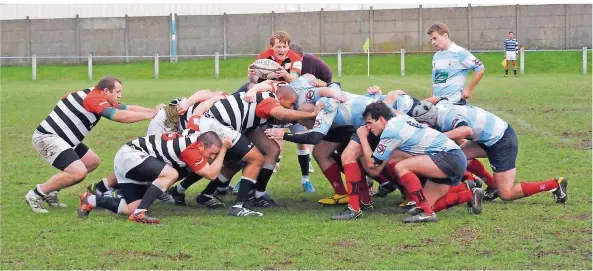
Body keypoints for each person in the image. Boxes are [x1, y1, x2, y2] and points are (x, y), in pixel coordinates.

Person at [26, 76, 161, 213]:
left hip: (64, 139)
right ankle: (36, 194)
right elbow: (119, 116)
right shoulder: (93, 99)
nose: (120, 95)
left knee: (91, 162)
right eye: (118, 92)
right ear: (106, 91)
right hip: (48, 137)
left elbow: (126, 108)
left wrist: (152, 111)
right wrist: (150, 115)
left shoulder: (98, 95)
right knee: (78, 172)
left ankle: (51, 190)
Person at [188, 82, 321, 211]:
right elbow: (281, 114)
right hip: (218, 125)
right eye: (290, 104)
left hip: (229, 125)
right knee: (256, 159)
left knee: (271, 150)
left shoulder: (271, 92)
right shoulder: (269, 100)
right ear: (280, 98)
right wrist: (311, 114)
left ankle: (210, 194)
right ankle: (240, 206)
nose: (291, 108)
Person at [412, 101, 569, 204]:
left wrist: (439, 138)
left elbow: (465, 130)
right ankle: (489, 185)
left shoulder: (448, 117)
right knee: (458, 157)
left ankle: (555, 184)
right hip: (489, 136)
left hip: (501, 142)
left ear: (429, 120)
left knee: (506, 194)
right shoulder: (440, 108)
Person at [264, 90, 379, 216]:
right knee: (322, 152)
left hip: (369, 123)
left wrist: (284, 135)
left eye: (308, 125)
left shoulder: (324, 109)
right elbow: (331, 86)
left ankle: (358, 206)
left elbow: (314, 137)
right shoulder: (315, 101)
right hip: (359, 123)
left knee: (354, 160)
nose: (309, 129)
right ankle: (356, 198)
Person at [77, 130, 230, 224]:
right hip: (131, 155)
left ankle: (90, 200)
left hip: (129, 159)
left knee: (129, 209)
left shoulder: (197, 138)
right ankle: (141, 213)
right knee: (172, 173)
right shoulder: (191, 150)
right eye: (211, 154)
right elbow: (211, 174)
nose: (212, 157)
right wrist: (223, 149)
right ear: (202, 146)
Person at [357, 102, 476, 223]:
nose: (368, 127)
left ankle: (426, 212)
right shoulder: (400, 118)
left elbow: (373, 165)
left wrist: (362, 138)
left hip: (448, 156)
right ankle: (471, 194)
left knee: (401, 167)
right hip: (452, 156)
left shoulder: (391, 132)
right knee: (425, 204)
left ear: (381, 119)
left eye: (369, 123)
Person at [427, 23, 485, 104]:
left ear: (445, 36)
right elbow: (436, 80)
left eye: (435, 38)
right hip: (438, 102)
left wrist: (468, 89)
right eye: (431, 40)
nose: (433, 42)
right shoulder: (436, 56)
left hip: (454, 103)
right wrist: (432, 96)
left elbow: (480, 68)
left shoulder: (460, 52)